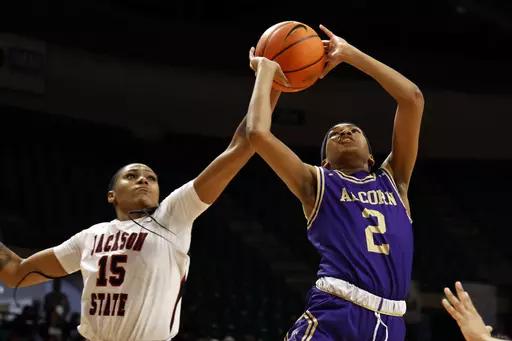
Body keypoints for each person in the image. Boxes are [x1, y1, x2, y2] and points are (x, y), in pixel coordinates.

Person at [0, 84, 283, 340]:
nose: (144, 180)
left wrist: (272, 85)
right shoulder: (90, 237)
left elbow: (241, 146)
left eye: (151, 177)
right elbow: (16, 273)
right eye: (132, 176)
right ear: (112, 195)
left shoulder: (172, 216)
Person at [246, 24, 424, 341]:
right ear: (325, 161)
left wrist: (350, 54)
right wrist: (266, 74)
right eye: (334, 134)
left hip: (392, 323)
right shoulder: (317, 182)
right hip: (336, 312)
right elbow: (258, 134)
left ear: (371, 157)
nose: (344, 132)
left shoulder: (394, 181)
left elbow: (412, 98)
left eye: (353, 130)